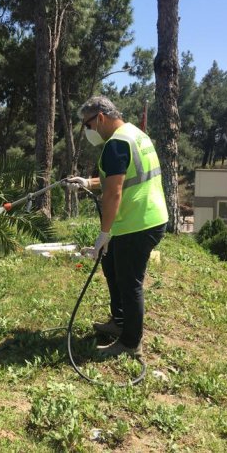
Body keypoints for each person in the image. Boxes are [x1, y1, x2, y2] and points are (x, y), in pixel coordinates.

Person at [68, 96, 168, 358]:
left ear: (100, 118)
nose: (88, 132)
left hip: (137, 223)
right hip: (150, 217)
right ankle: (119, 321)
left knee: (129, 282)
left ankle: (130, 342)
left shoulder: (115, 144)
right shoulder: (135, 134)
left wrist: (104, 233)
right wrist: (88, 183)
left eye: (87, 125)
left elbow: (114, 192)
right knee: (110, 264)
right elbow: (120, 175)